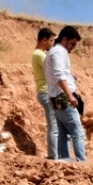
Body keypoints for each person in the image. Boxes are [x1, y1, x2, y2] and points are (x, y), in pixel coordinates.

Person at [43, 26, 86, 162]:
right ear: (64, 39)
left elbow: (58, 73)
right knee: (77, 132)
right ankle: (82, 163)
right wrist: (70, 95)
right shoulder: (59, 52)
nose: (73, 47)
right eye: (72, 43)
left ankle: (65, 163)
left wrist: (71, 76)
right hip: (63, 97)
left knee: (64, 134)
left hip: (55, 98)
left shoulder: (52, 52)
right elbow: (59, 75)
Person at [30, 27, 58, 160]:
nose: (52, 43)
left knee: (58, 124)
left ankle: (57, 155)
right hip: (47, 93)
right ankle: (53, 156)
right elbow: (54, 69)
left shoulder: (40, 54)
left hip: (50, 93)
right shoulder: (39, 54)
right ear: (44, 40)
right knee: (54, 126)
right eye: (51, 41)